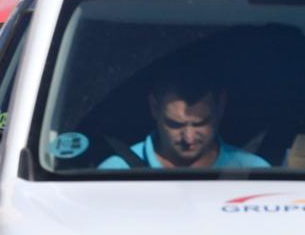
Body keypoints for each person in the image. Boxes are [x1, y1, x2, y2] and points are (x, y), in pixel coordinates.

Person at [99, 68, 270, 170]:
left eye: (200, 123)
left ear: (221, 106)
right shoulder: (116, 171)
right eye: (175, 124)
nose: (189, 138)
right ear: (154, 108)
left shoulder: (254, 171)